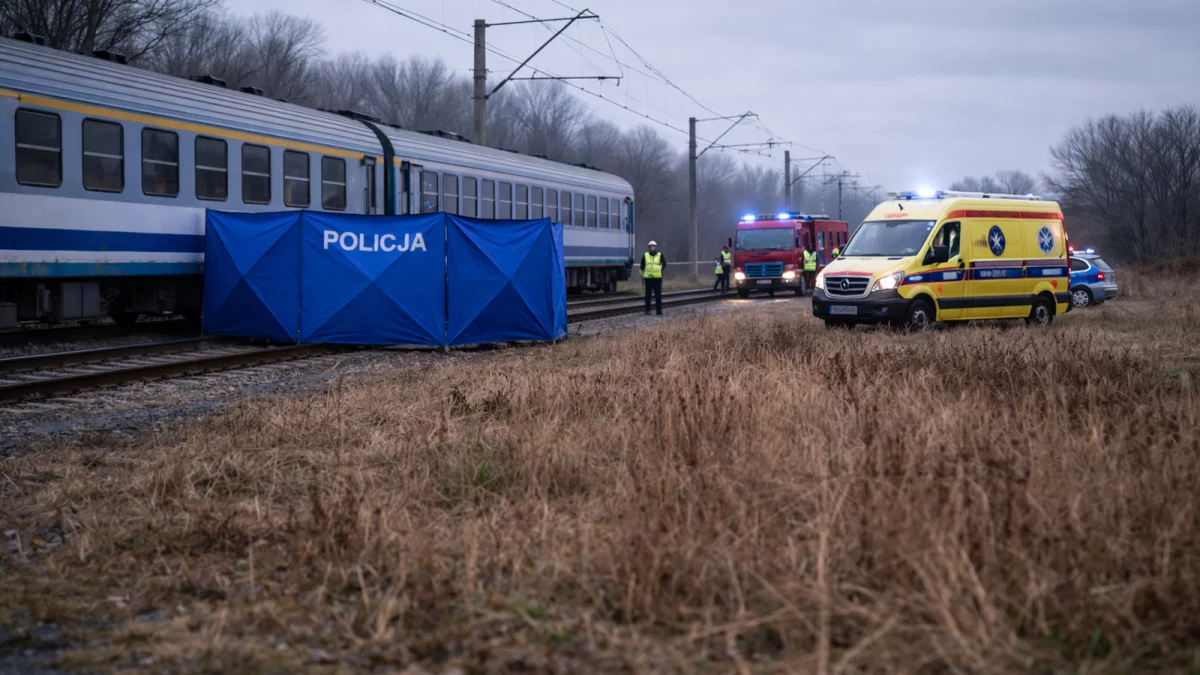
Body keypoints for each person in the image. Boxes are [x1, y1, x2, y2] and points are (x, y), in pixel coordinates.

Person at [641, 240, 664, 315]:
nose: (652, 248)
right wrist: (642, 276)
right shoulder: (645, 255)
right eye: (651, 247)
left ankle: (659, 311)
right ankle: (647, 310)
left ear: (655, 247)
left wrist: (661, 269)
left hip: (657, 278)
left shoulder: (660, 255)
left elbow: (664, 264)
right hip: (648, 278)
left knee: (658, 296)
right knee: (648, 295)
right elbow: (642, 267)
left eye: (653, 246)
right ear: (649, 247)